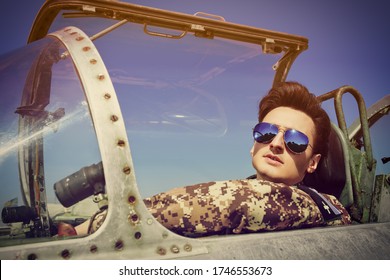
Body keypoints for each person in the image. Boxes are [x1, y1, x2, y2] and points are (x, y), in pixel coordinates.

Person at [61, 81, 351, 237]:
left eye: (295, 141)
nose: (276, 143)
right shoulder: (248, 189)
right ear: (252, 146)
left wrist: (90, 227)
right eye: (265, 132)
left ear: (313, 162)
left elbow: (224, 203)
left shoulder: (317, 205)